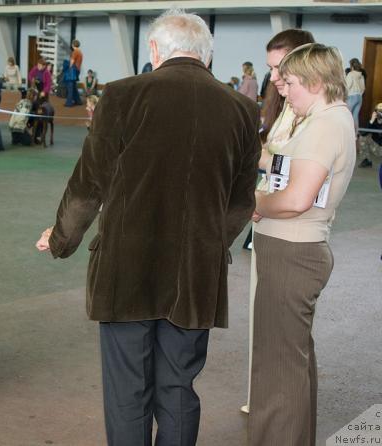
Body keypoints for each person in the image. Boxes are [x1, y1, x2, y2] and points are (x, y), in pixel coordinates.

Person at [36, 9, 260, 445]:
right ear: (206, 56)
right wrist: (210, 244)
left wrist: (61, 238)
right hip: (196, 274)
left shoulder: (122, 96)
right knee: (178, 388)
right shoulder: (243, 110)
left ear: (154, 49)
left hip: (127, 270)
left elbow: (88, 184)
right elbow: (240, 202)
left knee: (127, 389)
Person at [248, 43, 356, 446]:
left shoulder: (325, 124)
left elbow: (296, 199)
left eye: (289, 82)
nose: (284, 89)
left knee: (278, 369)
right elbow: (290, 166)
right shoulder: (324, 120)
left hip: (293, 253)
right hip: (295, 251)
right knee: (291, 362)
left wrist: (252, 203)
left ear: (313, 81)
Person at [240, 28, 316, 414]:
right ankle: (265, 404)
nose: (274, 78)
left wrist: (257, 196)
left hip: (293, 236)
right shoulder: (286, 106)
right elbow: (274, 157)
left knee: (286, 344)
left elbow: (296, 182)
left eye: (279, 68)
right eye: (271, 68)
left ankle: (279, 415)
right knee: (271, 334)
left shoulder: (319, 119)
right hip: (270, 226)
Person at [358, 102, 382, 168]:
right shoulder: (373, 120)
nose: (379, 114)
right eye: (378, 111)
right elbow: (363, 133)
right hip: (376, 147)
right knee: (363, 137)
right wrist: (371, 121)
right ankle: (366, 160)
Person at [345, 57, 365, 128]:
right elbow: (363, 88)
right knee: (355, 116)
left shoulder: (351, 74)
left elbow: (347, 86)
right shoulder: (361, 76)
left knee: (347, 115)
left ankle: (347, 133)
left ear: (352, 66)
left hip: (351, 96)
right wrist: (359, 94)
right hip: (359, 97)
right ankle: (355, 134)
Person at [64, 39, 83, 106]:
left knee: (70, 87)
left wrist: (68, 68)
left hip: (73, 70)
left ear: (73, 45)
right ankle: (78, 101)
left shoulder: (75, 52)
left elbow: (72, 62)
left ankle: (69, 103)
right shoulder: (80, 52)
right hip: (77, 70)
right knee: (74, 87)